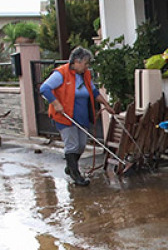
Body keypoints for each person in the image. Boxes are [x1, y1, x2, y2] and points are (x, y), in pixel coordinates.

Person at [40, 47, 114, 186]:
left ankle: (70, 165)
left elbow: (93, 91)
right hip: (65, 116)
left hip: (82, 116)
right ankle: (76, 175)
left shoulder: (84, 75)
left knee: (81, 145)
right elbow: (44, 88)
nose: (87, 66)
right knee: (72, 145)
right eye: (85, 63)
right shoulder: (61, 73)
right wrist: (56, 103)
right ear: (76, 61)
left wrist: (106, 105)